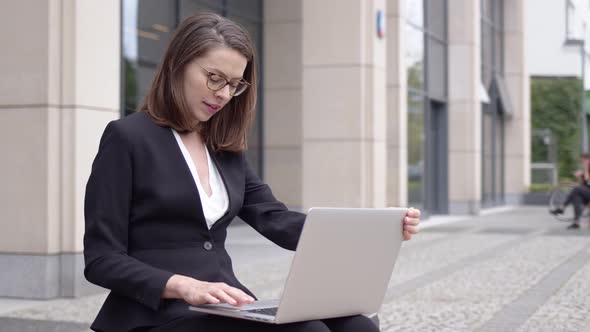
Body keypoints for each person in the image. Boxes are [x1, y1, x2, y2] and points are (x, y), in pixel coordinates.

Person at [83, 12, 421, 332]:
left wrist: (372, 230)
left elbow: (276, 219)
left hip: (225, 306)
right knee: (308, 330)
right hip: (155, 315)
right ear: (177, 65)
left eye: (234, 84)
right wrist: (182, 285)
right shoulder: (128, 138)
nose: (224, 94)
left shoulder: (223, 148)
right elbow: (102, 258)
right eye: (214, 78)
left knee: (357, 324)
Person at [549, 152, 590, 229]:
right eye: (581, 161)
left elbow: (588, 182)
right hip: (586, 193)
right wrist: (579, 177)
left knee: (576, 190)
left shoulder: (587, 169)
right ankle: (576, 222)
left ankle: (562, 208)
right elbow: (582, 185)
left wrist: (586, 170)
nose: (582, 162)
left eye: (583, 161)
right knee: (576, 197)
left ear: (588, 160)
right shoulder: (585, 170)